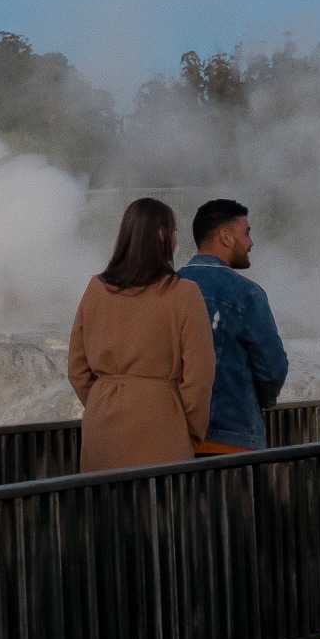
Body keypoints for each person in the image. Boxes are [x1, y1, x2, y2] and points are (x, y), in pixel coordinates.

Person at [67, 196, 216, 470]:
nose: (175, 239)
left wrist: (104, 400)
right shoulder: (184, 293)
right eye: (173, 231)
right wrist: (188, 429)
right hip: (160, 422)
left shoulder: (95, 289)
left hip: (102, 425)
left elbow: (77, 369)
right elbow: (200, 374)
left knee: (107, 509)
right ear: (161, 235)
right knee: (159, 508)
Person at [179, 198, 290, 452]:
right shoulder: (246, 294)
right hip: (232, 439)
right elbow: (273, 369)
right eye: (247, 233)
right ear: (226, 237)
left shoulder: (167, 287)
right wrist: (264, 400)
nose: (251, 243)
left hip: (177, 441)